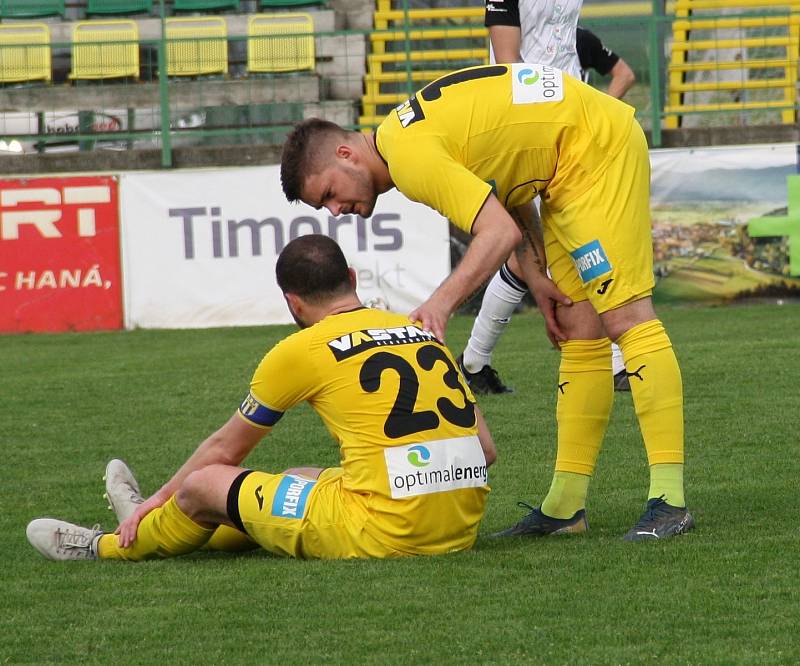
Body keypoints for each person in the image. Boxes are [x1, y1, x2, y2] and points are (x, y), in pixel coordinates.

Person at [278, 64, 694, 541]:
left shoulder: (409, 157)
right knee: (580, 329)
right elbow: (504, 175)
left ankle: (670, 500)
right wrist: (536, 272)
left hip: (595, 150)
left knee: (626, 317)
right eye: (323, 208)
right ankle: (565, 507)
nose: (335, 211)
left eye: (329, 193)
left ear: (347, 153)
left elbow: (496, 230)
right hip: (563, 165)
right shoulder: (403, 136)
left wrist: (440, 304)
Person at [27, 234, 497, 562]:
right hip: (459, 524)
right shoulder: (417, 330)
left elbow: (224, 451)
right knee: (295, 478)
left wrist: (159, 497)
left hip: (385, 532)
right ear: (352, 277)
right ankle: (158, 524)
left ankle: (104, 544)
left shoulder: (302, 348)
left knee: (202, 485)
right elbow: (487, 450)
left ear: (292, 302)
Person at [458, 5, 637, 395]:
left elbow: (620, 72)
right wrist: (552, 113)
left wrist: (592, 111)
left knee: (543, 257)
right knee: (566, 247)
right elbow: (508, 64)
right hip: (527, 125)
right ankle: (616, 361)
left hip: (568, 123)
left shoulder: (581, 37)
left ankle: (474, 363)